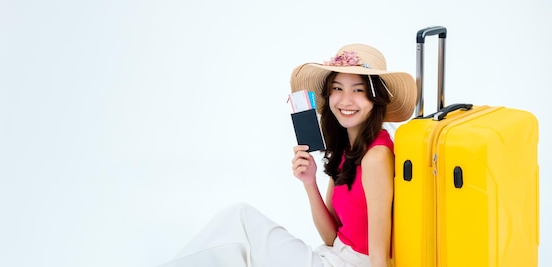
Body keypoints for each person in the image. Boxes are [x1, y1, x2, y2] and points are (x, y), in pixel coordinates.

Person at [157, 44, 417, 267]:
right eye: (337, 88)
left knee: (240, 219)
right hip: (331, 255)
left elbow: (380, 256)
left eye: (358, 90)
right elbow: (330, 237)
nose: (345, 100)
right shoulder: (346, 151)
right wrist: (310, 182)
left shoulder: (376, 157)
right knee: (238, 232)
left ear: (374, 98)